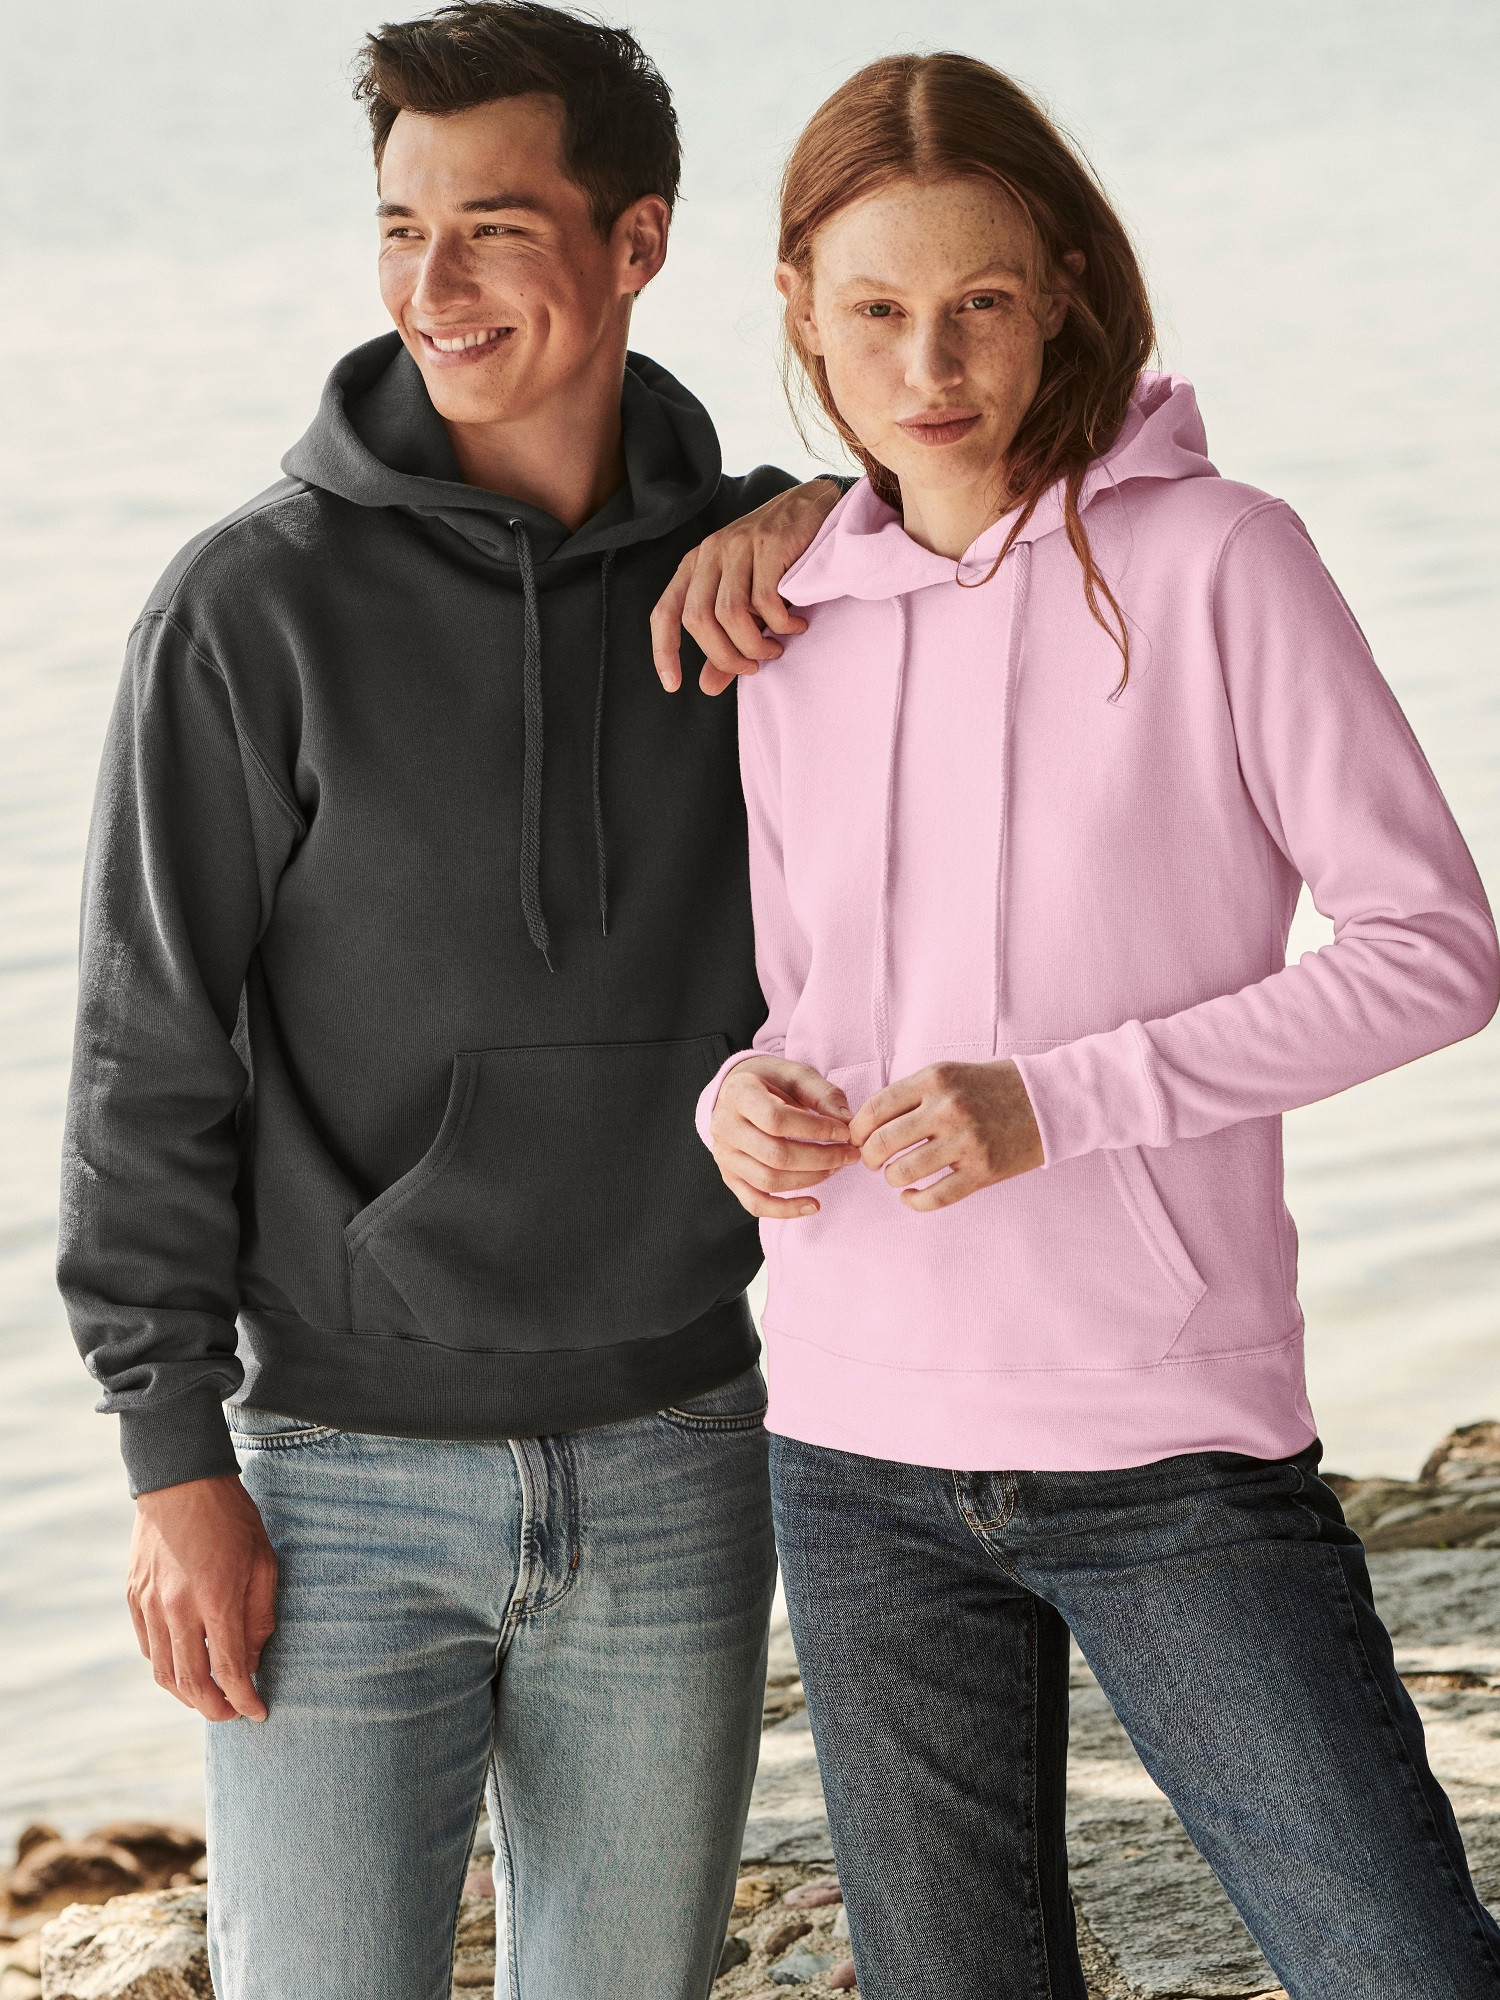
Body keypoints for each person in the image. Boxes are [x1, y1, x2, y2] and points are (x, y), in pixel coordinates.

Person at [56, 6, 844, 1997]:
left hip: (681, 1446)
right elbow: (149, 1054)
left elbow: (1035, 518)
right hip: (338, 1468)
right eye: (402, 228)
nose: (435, 284)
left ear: (636, 240)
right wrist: (172, 1460)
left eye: (494, 225)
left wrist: (838, 508)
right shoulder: (251, 608)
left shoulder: (783, 589)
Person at [698, 50, 1500, 2000]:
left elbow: (1434, 948)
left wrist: (1064, 1101)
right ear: (798, 308)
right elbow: (804, 994)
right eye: (875, 312)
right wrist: (736, 1102)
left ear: (1063, 282)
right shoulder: (789, 621)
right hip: (850, 1434)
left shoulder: (1219, 560)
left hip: (1160, 1433)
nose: (929, 364)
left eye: (979, 300)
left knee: (1398, 1968)